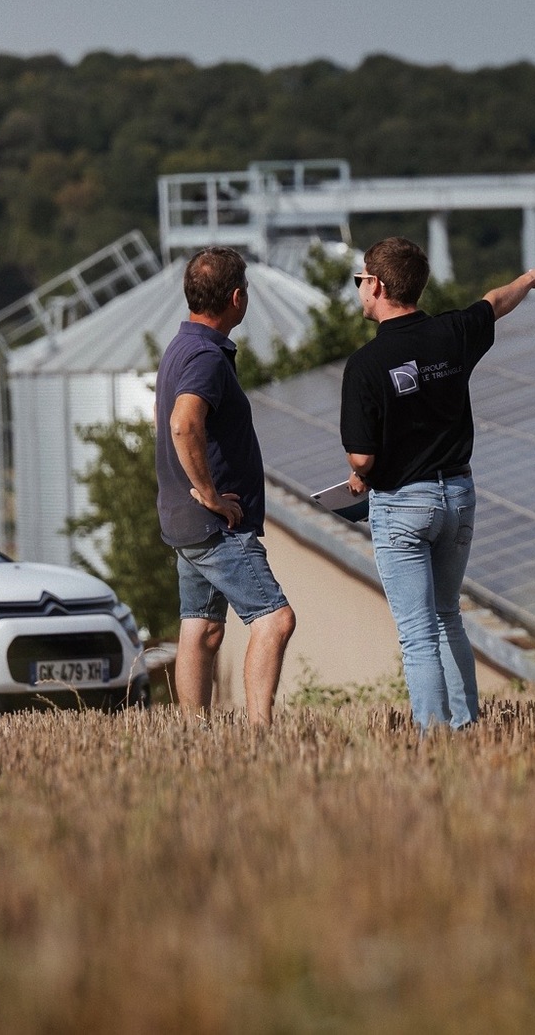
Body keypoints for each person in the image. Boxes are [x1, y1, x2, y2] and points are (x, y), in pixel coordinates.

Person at [342, 237, 535, 731]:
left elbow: (362, 455)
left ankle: (434, 736)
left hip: (403, 505)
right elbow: (494, 302)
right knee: (448, 615)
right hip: (459, 497)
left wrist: (362, 475)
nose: (360, 288)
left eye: (361, 279)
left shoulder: (365, 365)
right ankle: (466, 726)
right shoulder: (451, 334)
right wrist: (530, 278)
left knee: (417, 634)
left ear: (378, 285)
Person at [154, 246, 297, 724]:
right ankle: (260, 735)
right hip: (215, 523)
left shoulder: (181, 346)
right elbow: (183, 424)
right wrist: (211, 495)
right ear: (237, 298)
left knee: (202, 626)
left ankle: (194, 734)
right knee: (275, 619)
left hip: (184, 521)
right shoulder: (206, 357)